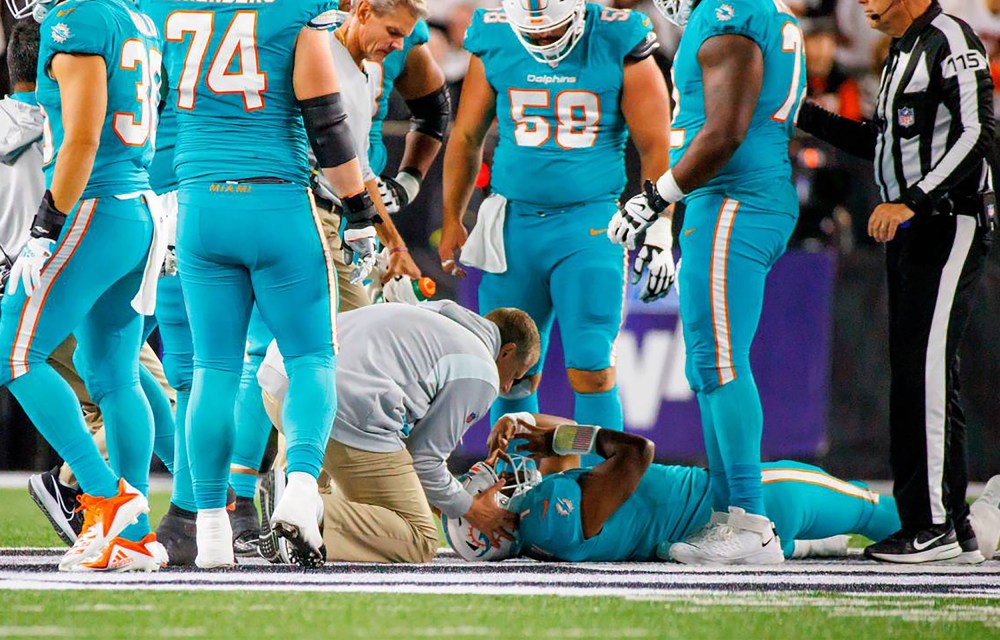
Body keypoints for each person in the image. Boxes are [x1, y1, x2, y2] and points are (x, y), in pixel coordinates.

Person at [158, 0, 388, 569]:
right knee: (312, 356)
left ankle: (209, 524)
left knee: (212, 368)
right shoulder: (294, 18)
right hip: (277, 202)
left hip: (198, 206)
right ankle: (302, 488)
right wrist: (360, 209)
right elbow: (327, 124)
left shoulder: (165, 13)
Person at [223, 0, 437, 555]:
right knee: (288, 358)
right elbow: (334, 164)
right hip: (305, 216)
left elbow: (361, 169)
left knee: (291, 358)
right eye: (392, 31)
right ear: (361, 11)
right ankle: (254, 495)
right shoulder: (316, 50)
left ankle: (282, 491)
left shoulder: (357, 64)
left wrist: (392, 239)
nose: (397, 45)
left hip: (315, 216)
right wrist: (372, 231)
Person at [795, 0, 996, 564]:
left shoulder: (949, 38)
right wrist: (802, 115)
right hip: (912, 227)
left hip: (946, 222)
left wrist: (913, 200)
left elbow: (979, 132)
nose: (861, 4)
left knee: (925, 377)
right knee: (918, 376)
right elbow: (879, 144)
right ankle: (948, 525)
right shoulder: (902, 52)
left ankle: (932, 525)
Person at [607, 0, 807, 563]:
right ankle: (731, 515)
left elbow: (723, 134)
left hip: (735, 200)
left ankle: (748, 519)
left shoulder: (729, 14)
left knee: (720, 360)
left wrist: (654, 198)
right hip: (732, 199)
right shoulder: (763, 13)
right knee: (707, 364)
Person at [439, 0, 671, 466]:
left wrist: (660, 224)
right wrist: (452, 217)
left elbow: (657, 141)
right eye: (534, 34)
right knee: (508, 370)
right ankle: (517, 487)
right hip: (513, 226)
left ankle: (601, 488)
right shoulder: (496, 33)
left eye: (553, 31)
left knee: (591, 364)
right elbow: (466, 134)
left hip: (589, 226)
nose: (543, 40)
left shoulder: (619, 36)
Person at [0, 0, 167, 571]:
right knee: (113, 375)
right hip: (134, 206)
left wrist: (45, 225)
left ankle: (105, 497)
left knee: (14, 354)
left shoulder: (79, 19)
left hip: (93, 206)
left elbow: (82, 138)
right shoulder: (136, 17)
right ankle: (135, 535)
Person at [449, 418, 1000, 563]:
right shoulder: (547, 514)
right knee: (897, 516)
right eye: (484, 497)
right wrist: (552, 436)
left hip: (714, 521)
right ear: (489, 531)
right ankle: (992, 521)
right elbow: (635, 452)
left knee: (855, 508)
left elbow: (570, 458)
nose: (494, 484)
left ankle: (808, 545)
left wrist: (539, 432)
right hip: (749, 501)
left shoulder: (546, 530)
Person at [256, 301, 540, 563]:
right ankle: (301, 509)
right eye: (515, 376)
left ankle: (294, 491)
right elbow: (424, 461)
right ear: (507, 351)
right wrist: (471, 509)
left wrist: (444, 500)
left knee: (354, 499)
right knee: (420, 538)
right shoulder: (482, 370)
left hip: (282, 380)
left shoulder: (438, 311)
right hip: (339, 410)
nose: (506, 389)